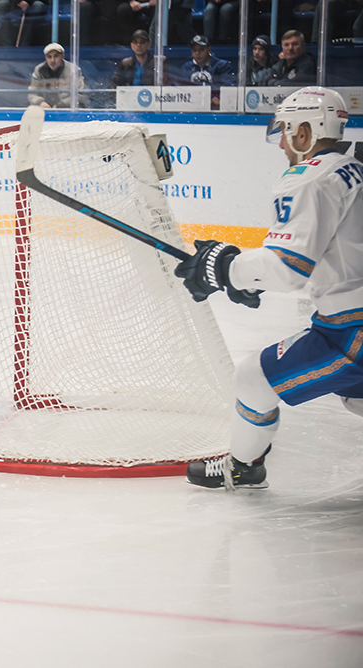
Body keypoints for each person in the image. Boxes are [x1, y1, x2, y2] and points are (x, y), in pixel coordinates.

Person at [174, 86, 362, 490]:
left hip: (352, 331)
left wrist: (224, 268)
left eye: (285, 131)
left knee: (253, 379)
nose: (281, 143)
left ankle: (243, 467)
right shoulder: (353, 169)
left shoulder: (310, 178)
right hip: (344, 318)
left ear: (305, 132)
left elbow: (287, 268)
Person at [27, 42, 88, 109]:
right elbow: (32, 93)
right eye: (49, 57)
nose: (52, 60)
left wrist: (61, 105)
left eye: (56, 56)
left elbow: (80, 94)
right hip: (46, 110)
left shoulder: (73, 70)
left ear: (62, 56)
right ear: (45, 58)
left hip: (68, 110)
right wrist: (40, 102)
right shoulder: (39, 70)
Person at [178, 34, 233, 108]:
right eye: (194, 50)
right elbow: (181, 89)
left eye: (201, 49)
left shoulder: (221, 65)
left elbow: (228, 87)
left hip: (216, 108)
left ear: (208, 50)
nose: (197, 53)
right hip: (192, 107)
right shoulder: (186, 67)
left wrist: (219, 98)